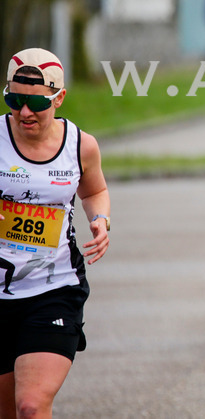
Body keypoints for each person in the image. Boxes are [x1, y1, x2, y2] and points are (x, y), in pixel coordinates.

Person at [1, 49, 110, 418]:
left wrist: (101, 220)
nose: (24, 112)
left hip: (54, 289)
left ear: (58, 98)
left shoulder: (81, 145)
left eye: (35, 103)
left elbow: (94, 192)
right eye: (14, 100)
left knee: (30, 406)